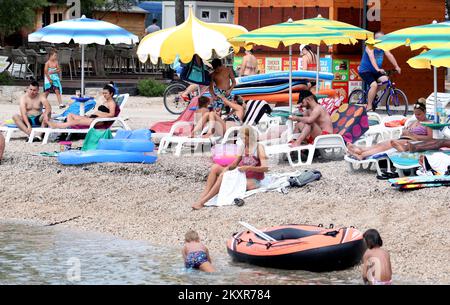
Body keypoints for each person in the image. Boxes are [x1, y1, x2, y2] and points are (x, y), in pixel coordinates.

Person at [192, 125, 268, 210]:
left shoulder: (259, 148)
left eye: (244, 138)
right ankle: (204, 194)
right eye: (241, 138)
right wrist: (226, 169)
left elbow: (265, 168)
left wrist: (248, 168)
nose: (243, 140)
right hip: (243, 174)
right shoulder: (243, 147)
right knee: (215, 168)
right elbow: (235, 163)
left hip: (254, 180)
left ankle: (203, 201)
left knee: (226, 177)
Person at [347, 99, 433, 160]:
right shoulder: (414, 122)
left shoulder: (428, 123)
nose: (417, 116)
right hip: (403, 139)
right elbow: (404, 132)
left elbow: (430, 138)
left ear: (425, 112)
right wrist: (404, 132)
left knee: (387, 145)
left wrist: (414, 135)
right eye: (415, 114)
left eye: (419, 114)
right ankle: (360, 150)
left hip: (411, 142)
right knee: (382, 143)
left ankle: (362, 154)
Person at [359, 32, 402, 111]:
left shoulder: (383, 47)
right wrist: (377, 69)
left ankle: (373, 94)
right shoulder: (370, 46)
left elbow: (389, 55)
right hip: (365, 71)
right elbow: (372, 57)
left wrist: (396, 66)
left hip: (375, 71)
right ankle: (369, 105)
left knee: (386, 80)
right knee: (374, 85)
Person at [48, 84, 118, 129]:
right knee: (70, 115)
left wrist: (99, 114)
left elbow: (112, 115)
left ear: (111, 93)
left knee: (75, 121)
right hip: (92, 117)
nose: (104, 95)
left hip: (97, 121)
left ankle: (57, 126)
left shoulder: (111, 103)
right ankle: (72, 129)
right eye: (103, 93)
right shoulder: (106, 101)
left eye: (106, 93)